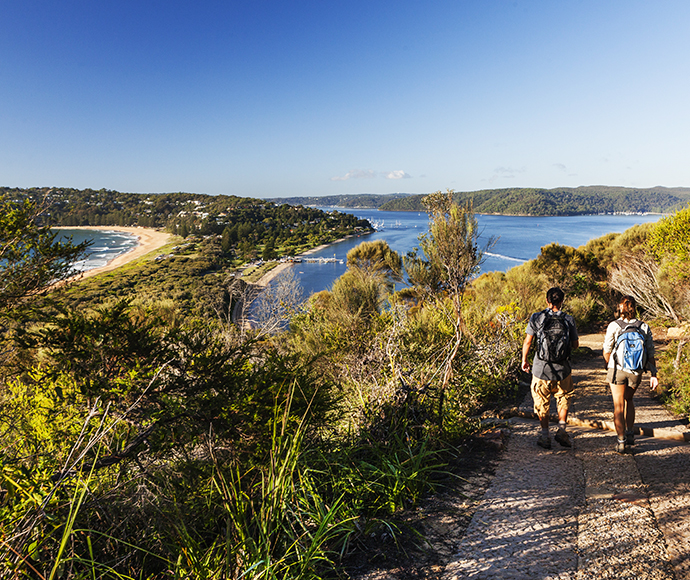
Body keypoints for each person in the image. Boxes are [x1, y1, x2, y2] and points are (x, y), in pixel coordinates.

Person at [521, 287, 579, 449]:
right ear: (561, 301)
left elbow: (527, 342)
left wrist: (524, 360)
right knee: (564, 398)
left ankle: (545, 436)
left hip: (541, 369)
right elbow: (575, 345)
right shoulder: (569, 319)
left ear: (547, 301)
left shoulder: (536, 318)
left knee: (541, 402)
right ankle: (561, 431)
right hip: (563, 370)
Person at [603, 295, 659, 454]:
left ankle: (621, 442)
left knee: (618, 405)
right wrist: (653, 373)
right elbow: (650, 353)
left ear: (620, 308)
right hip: (636, 372)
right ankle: (629, 432)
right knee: (629, 399)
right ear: (635, 308)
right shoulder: (644, 327)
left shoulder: (614, 325)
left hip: (617, 370)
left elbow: (607, 350)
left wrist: (609, 365)